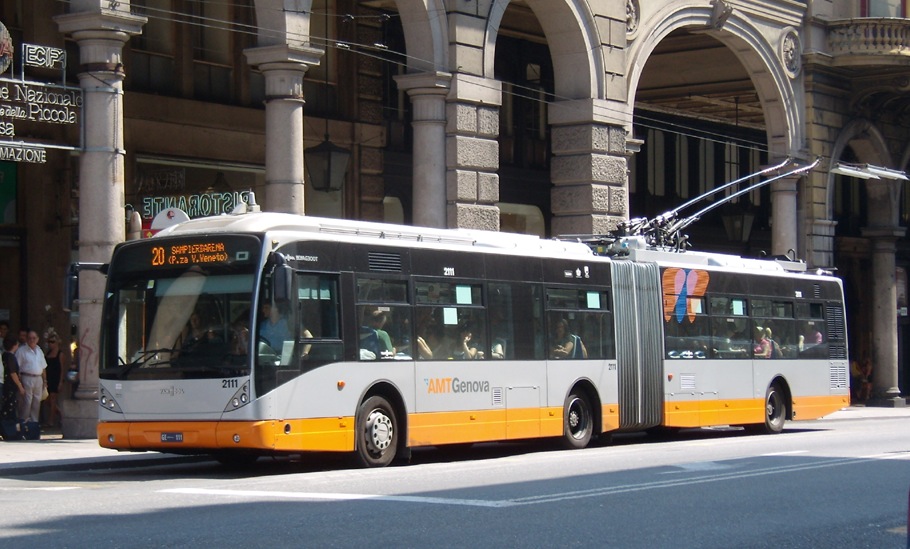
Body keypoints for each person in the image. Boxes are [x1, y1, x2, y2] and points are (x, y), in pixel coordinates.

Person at [15, 329, 47, 423]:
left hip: (38, 378)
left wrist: (45, 381)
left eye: (34, 338)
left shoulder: (39, 350)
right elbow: (17, 368)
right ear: (27, 339)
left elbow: (43, 367)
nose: (32, 340)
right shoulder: (21, 351)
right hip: (26, 377)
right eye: (29, 338)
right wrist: (20, 382)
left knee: (37, 401)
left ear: (37, 339)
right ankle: (24, 422)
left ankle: (34, 423)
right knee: (27, 402)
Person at [43, 334, 68, 428]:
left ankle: (51, 420)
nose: (50, 344)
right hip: (48, 378)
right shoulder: (48, 354)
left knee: (53, 399)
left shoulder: (60, 354)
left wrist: (61, 381)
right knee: (46, 400)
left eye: (52, 342)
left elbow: (62, 369)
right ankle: (61, 414)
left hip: (56, 378)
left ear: (57, 342)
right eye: (49, 342)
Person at [1, 333, 24, 420]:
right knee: (10, 406)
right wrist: (20, 386)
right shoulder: (10, 357)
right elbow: (13, 373)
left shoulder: (4, 355)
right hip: (10, 385)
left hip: (5, 384)